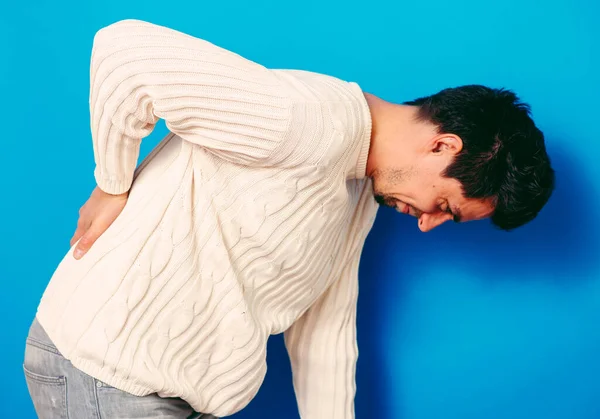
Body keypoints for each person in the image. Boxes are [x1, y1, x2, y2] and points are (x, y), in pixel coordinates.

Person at [23, 18, 554, 419]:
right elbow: (124, 51)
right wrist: (111, 183)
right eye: (445, 207)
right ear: (443, 146)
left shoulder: (356, 190)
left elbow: (325, 334)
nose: (426, 223)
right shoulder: (310, 122)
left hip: (163, 393)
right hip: (110, 376)